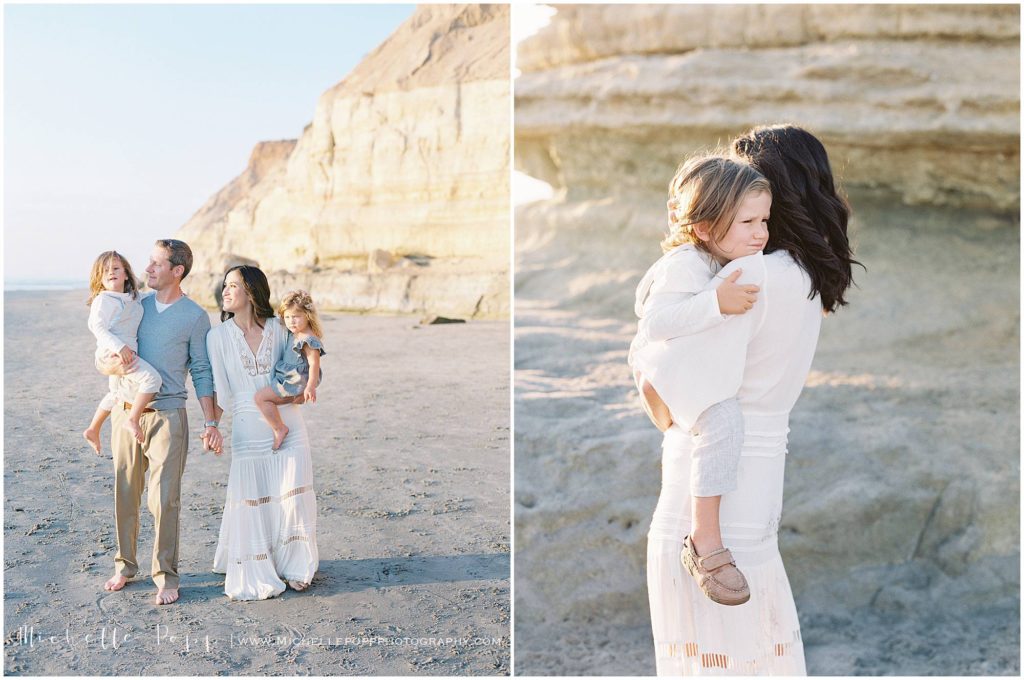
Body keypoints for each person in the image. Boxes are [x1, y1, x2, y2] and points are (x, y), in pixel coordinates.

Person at [645, 125, 859, 675]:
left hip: (706, 485)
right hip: (764, 476)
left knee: (708, 653)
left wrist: (647, 378)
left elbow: (670, 392)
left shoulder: (746, 275)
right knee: (758, 648)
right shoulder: (810, 275)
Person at [629, 154, 770, 606]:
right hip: (662, 362)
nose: (761, 233)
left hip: (683, 364)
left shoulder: (722, 256)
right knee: (724, 422)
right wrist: (716, 303)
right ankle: (705, 540)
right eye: (747, 221)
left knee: (718, 415)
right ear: (705, 228)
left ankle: (663, 397)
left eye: (764, 219)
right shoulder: (685, 264)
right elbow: (655, 324)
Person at [97, 239, 223, 606]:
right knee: (125, 493)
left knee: (165, 499)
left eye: (156, 264)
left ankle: (166, 574)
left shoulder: (196, 316)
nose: (147, 269)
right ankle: (124, 566)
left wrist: (211, 421)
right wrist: (106, 365)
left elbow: (201, 370)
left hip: (169, 416)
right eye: (148, 263)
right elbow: (107, 346)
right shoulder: (135, 305)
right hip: (126, 412)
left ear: (177, 271)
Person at [206, 265, 319, 599]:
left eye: (233, 286)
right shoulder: (217, 337)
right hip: (246, 426)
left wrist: (302, 392)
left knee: (293, 498)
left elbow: (302, 367)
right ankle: (260, 565)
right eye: (224, 286)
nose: (225, 292)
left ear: (252, 292)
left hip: (289, 422)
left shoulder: (280, 329)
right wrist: (212, 426)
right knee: (252, 499)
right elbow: (222, 391)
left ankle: (297, 567)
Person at [83, 251, 163, 453]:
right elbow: (96, 327)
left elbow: (148, 297)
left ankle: (93, 429)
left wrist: (175, 294)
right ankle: (133, 420)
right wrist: (119, 347)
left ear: (126, 274)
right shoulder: (104, 299)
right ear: (99, 278)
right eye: (105, 271)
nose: (111, 272)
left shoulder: (133, 297)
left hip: (125, 351)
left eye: (116, 268)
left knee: (116, 393)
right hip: (113, 352)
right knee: (152, 380)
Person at [253, 290, 326, 451]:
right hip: (291, 377)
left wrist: (310, 387)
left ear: (308, 315)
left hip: (295, 380)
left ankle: (279, 428)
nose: (291, 321)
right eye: (287, 317)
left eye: (296, 316)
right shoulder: (296, 333)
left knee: (261, 398)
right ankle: (296, 397)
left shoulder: (308, 339)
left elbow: (314, 364)